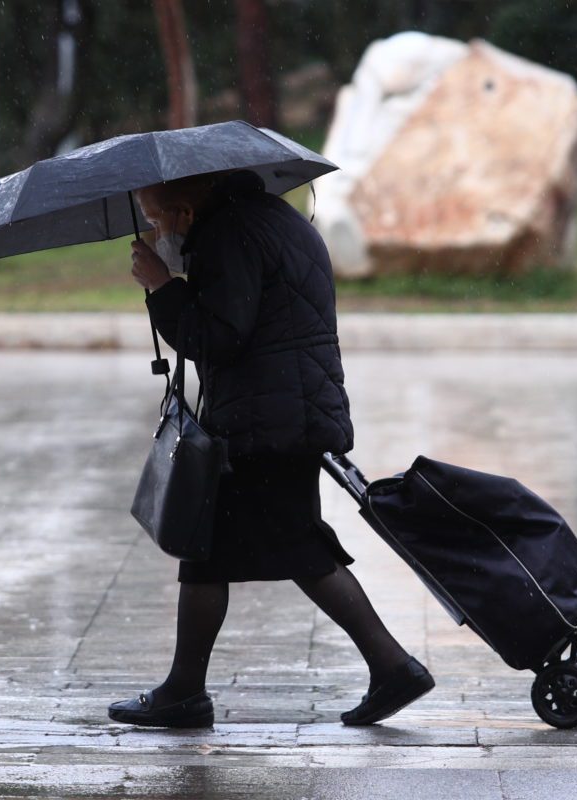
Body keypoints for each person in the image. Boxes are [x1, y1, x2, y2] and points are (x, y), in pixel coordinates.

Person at [108, 169, 433, 728]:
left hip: (267, 419)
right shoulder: (267, 218)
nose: (155, 227)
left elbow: (221, 338)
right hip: (285, 410)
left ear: (186, 209)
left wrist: (164, 288)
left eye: (157, 216)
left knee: (250, 553)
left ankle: (389, 665)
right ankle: (385, 666)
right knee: (254, 550)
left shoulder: (228, 233)